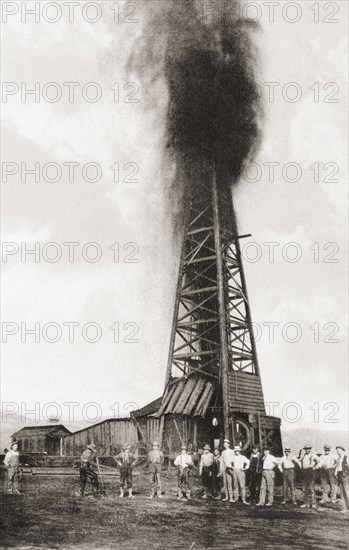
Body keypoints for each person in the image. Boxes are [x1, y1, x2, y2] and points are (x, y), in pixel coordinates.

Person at [299, 444, 322, 509]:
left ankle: (313, 503)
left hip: (310, 472)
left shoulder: (313, 455)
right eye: (306, 449)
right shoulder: (303, 455)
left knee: (311, 489)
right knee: (304, 489)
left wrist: (315, 467)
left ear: (310, 449)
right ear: (305, 450)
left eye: (308, 449)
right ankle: (306, 503)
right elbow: (299, 461)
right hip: (304, 472)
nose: (307, 450)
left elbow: (321, 461)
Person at [334, 446, 349, 513]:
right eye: (337, 451)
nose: (338, 452)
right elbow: (337, 468)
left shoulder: (347, 458)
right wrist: (336, 475)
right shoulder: (338, 459)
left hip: (345, 476)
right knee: (341, 493)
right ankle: (344, 508)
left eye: (339, 451)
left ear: (343, 451)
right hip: (339, 476)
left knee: (347, 491)